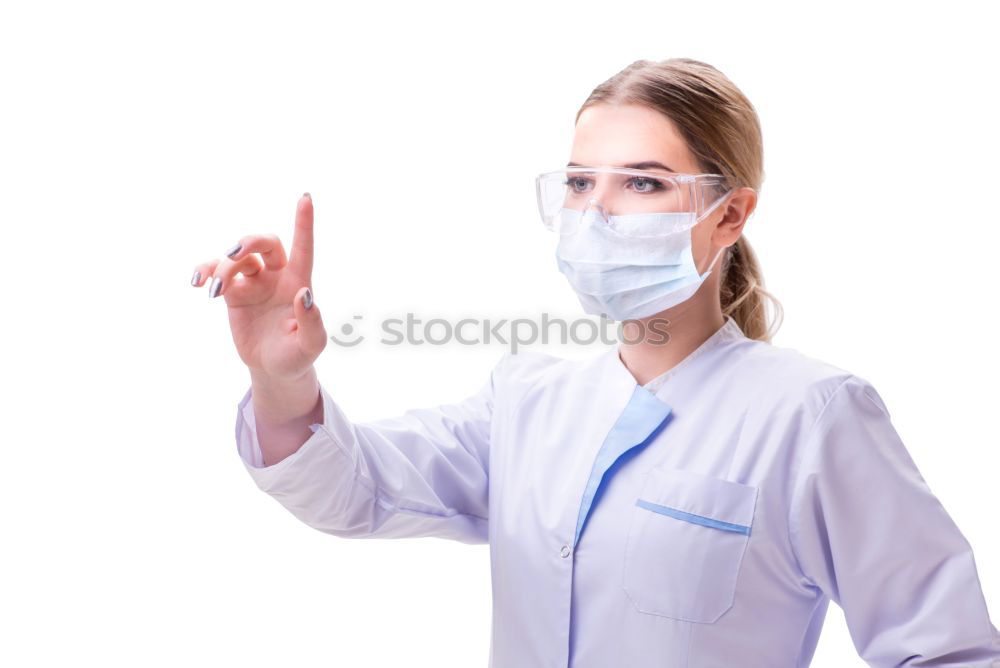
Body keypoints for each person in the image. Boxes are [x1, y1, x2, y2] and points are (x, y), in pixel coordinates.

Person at [190, 58, 1000, 667]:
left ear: (731, 214)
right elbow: (352, 492)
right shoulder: (527, 400)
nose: (598, 213)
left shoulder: (810, 413)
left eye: (642, 184)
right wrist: (280, 374)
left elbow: (947, 648)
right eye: (580, 183)